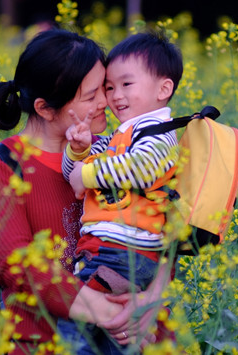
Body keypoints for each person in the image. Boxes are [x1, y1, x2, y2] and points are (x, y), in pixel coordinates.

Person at [0, 29, 166, 355]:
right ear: (44, 108)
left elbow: (166, 230)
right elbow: (20, 268)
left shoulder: (116, 154)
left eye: (105, 86)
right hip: (45, 345)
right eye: (90, 97)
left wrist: (152, 299)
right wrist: (117, 316)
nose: (107, 101)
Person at [58, 31, 183, 353]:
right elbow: (72, 177)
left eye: (127, 84)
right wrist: (78, 151)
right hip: (112, 251)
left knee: (75, 325)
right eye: (109, 87)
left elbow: (141, 169)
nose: (115, 96)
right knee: (116, 335)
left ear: (163, 89)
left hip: (120, 251)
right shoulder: (122, 135)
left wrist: (88, 173)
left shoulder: (159, 133)